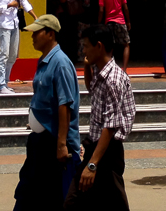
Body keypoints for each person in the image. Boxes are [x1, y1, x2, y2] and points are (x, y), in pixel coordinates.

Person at [64, 25, 136, 210]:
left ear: (99, 46)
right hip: (95, 147)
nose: (84, 50)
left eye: (86, 46)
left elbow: (111, 125)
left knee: (113, 204)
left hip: (107, 151)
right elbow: (91, 88)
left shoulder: (113, 79)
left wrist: (92, 165)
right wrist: (88, 65)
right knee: (76, 200)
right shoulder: (100, 71)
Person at [13, 14, 80, 211]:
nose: (32, 37)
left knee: (51, 197)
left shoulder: (60, 63)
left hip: (53, 143)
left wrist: (61, 144)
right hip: (40, 141)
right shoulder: (43, 61)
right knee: (29, 192)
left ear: (50, 34)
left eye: (36, 32)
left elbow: (65, 105)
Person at [98, 0, 131, 71]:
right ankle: (124, 70)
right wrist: (128, 22)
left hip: (108, 22)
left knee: (109, 46)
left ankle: (110, 70)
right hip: (120, 21)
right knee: (126, 45)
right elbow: (125, 8)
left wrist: (99, 23)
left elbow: (101, 10)